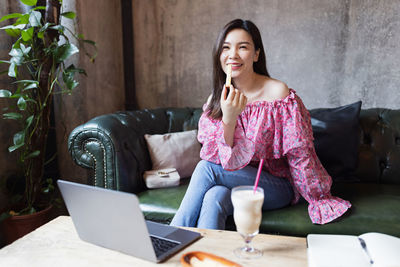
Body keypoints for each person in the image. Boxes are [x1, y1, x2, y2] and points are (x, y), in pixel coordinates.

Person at [170, 19, 351, 230]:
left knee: (205, 169)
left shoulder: (279, 95)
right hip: (235, 182)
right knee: (214, 196)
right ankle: (207, 260)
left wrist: (319, 199)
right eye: (226, 48)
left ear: (256, 54)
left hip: (276, 187)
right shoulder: (216, 100)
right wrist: (229, 118)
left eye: (243, 47)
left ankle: (171, 237)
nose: (233, 55)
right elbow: (217, 159)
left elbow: (301, 154)